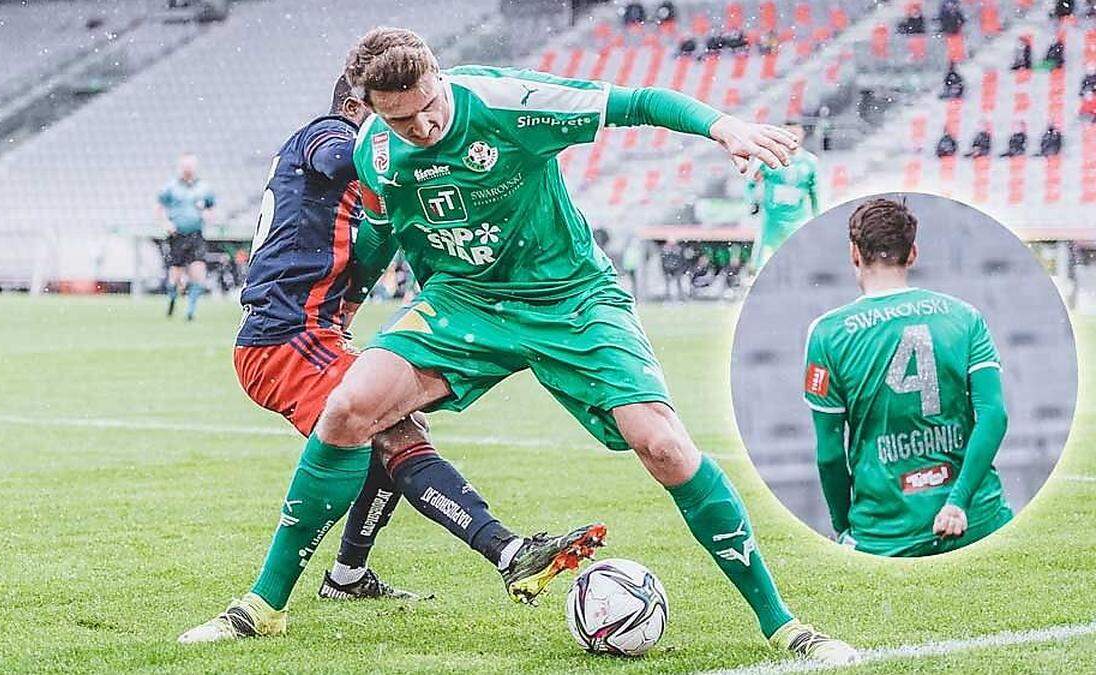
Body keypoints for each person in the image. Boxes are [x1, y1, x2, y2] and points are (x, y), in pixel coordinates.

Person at [333, 27, 858, 664]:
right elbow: (383, 234)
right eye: (399, 119)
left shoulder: (504, 101)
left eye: (425, 108)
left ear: (440, 77)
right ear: (372, 109)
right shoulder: (376, 151)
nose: (417, 127)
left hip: (571, 297)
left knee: (662, 444)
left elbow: (634, 102)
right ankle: (271, 602)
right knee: (354, 408)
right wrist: (345, 305)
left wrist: (721, 126)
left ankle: (783, 625)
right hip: (467, 303)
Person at [179, 77, 605, 644]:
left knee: (389, 425)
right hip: (283, 338)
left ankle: (349, 575)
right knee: (391, 431)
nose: (404, 132)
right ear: (358, 107)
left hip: (309, 332)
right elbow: (347, 158)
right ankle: (505, 550)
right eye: (388, 116)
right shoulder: (326, 134)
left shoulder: (348, 155)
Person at [804, 198, 1013, 557]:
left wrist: (842, 526)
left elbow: (829, 454)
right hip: (979, 522)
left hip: (885, 532)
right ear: (912, 253)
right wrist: (956, 502)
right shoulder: (964, 316)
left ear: (855, 253)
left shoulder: (827, 333)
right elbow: (993, 415)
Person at [746, 121, 819, 270]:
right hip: (772, 220)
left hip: (797, 220)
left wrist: (817, 216)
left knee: (799, 261)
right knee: (763, 263)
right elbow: (751, 183)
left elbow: (815, 192)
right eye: (788, 134)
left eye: (795, 134)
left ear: (802, 135)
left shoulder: (810, 162)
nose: (792, 138)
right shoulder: (767, 159)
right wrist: (753, 202)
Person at [157, 154, 216, 320]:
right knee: (175, 275)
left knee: (198, 272)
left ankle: (190, 311)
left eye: (190, 165)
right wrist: (165, 223)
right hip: (177, 236)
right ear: (180, 166)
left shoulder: (204, 188)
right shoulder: (171, 187)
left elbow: (211, 209)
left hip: (196, 235)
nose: (188, 168)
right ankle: (172, 299)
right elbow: (159, 208)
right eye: (185, 165)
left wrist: (208, 215)